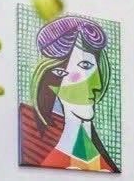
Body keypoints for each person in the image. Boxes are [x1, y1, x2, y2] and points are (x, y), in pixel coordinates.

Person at [24, 15, 117, 172]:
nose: (97, 85)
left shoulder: (96, 158)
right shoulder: (57, 159)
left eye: (91, 67)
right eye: (85, 65)